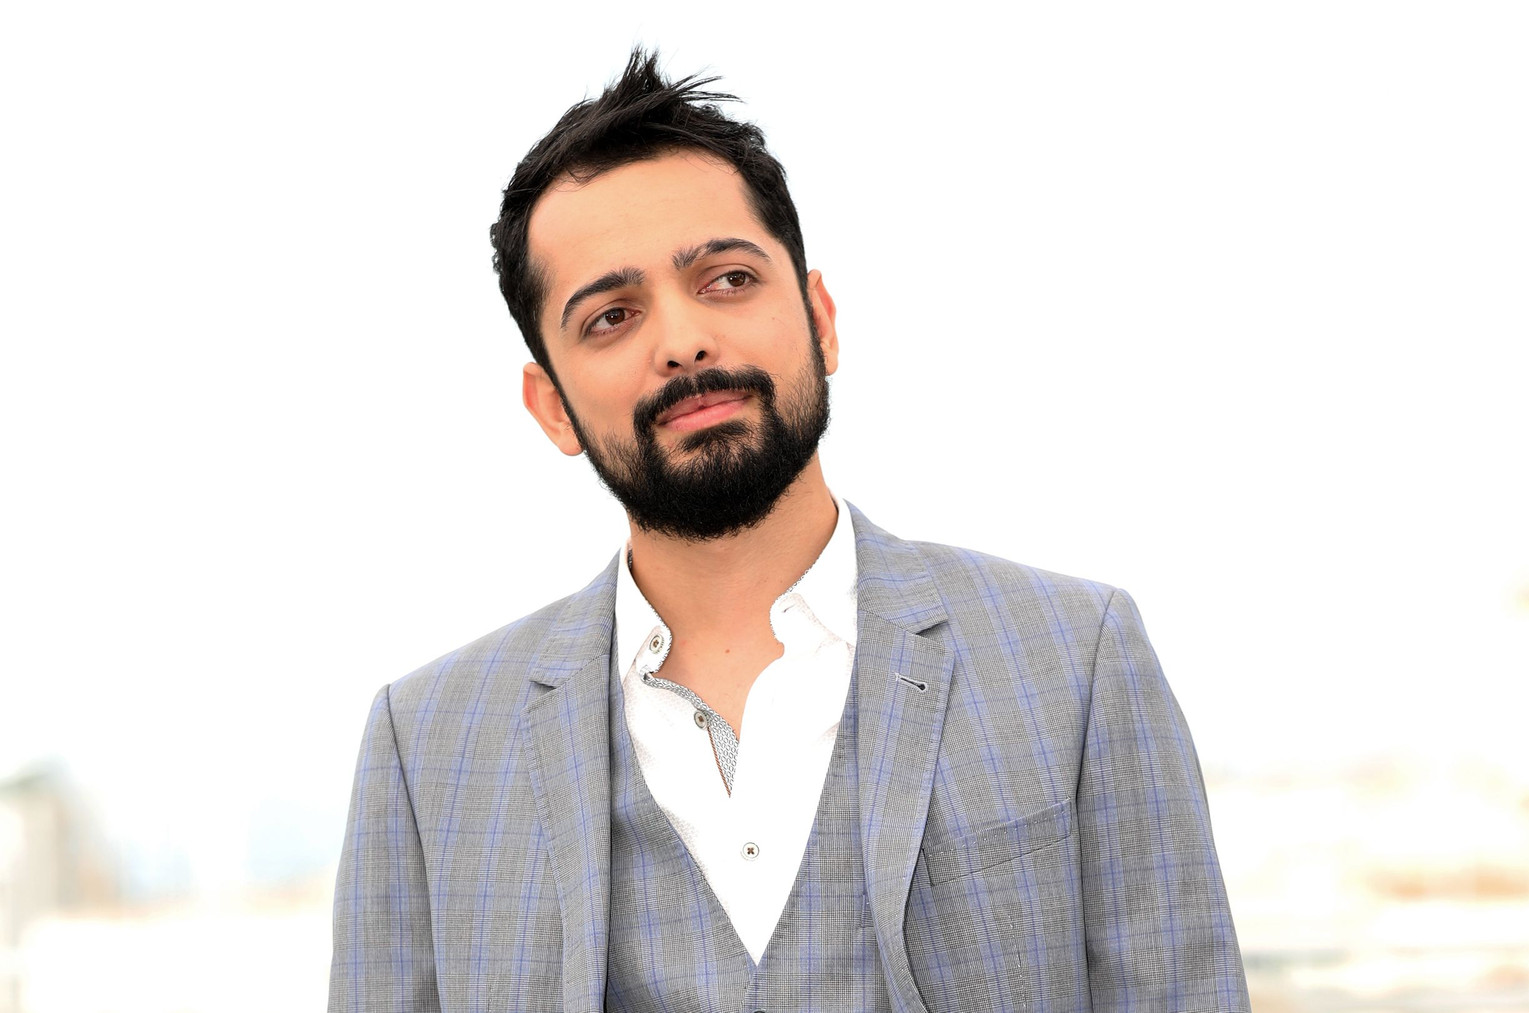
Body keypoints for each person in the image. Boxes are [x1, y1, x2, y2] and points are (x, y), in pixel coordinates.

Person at [329, 49, 1250, 1013]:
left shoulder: (1076, 657)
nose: (682, 340)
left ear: (820, 319)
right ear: (551, 405)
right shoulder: (424, 747)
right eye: (611, 316)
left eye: (727, 278)